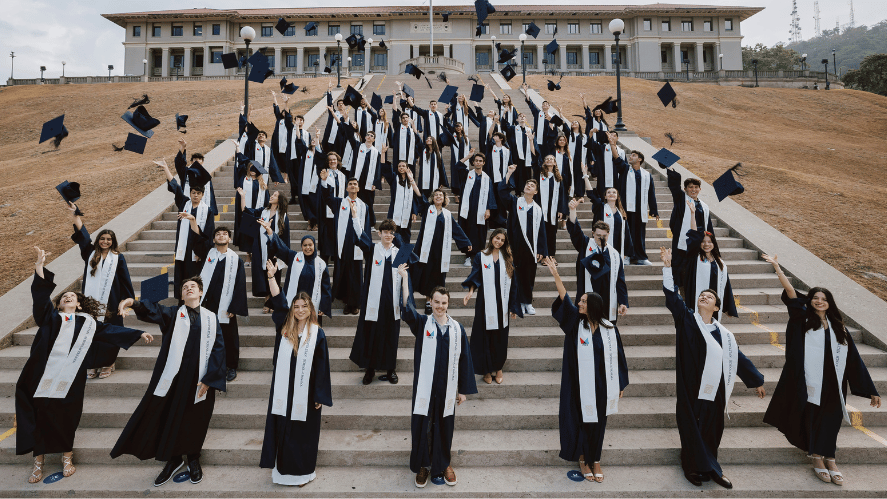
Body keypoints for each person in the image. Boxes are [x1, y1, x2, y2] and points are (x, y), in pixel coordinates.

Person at [17, 247, 148, 483]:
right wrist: (39, 267)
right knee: (41, 414)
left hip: (71, 376)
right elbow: (40, 297)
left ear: (79, 305)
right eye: (63, 297)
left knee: (68, 414)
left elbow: (110, 331)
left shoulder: (88, 324)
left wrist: (138, 333)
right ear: (59, 305)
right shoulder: (49, 318)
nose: (67, 297)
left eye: (72, 296)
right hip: (42, 374)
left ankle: (67, 456)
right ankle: (38, 461)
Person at [761, 254, 881, 486]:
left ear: (830, 303)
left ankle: (831, 459)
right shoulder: (803, 319)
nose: (819, 301)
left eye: (824, 299)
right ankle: (817, 457)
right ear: (810, 301)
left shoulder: (839, 328)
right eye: (815, 298)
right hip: (810, 379)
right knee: (813, 416)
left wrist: (870, 390)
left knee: (832, 419)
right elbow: (791, 293)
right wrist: (777, 267)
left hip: (834, 381)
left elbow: (853, 359)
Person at [660, 246, 765, 489]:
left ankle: (712, 468)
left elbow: (737, 357)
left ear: (717, 308)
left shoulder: (724, 334)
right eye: (701, 296)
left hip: (714, 387)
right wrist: (667, 267)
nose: (704, 297)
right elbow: (672, 297)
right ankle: (691, 466)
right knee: (691, 426)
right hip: (690, 386)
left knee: (712, 428)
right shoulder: (686, 319)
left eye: (709, 297)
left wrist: (756, 380)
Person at [112, 276, 226, 487]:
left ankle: (193, 458)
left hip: (199, 378)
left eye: (193, 286)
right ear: (181, 295)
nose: (189, 288)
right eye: (185, 287)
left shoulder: (211, 318)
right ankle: (173, 459)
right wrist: (132, 302)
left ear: (201, 292)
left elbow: (218, 349)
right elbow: (152, 310)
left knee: (196, 418)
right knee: (169, 414)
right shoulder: (173, 313)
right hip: (174, 377)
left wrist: (209, 379)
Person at [544, 255, 628, 483]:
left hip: (603, 383)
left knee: (599, 422)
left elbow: (619, 357)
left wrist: (620, 383)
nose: (579, 303)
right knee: (581, 420)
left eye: (583, 301)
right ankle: (583, 457)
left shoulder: (609, 329)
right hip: (578, 383)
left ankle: (595, 458)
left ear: (593, 306)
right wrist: (556, 275)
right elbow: (564, 299)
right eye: (580, 300)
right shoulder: (575, 324)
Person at [400, 271, 477, 488]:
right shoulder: (422, 324)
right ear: (430, 302)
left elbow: (465, 359)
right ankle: (424, 465)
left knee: (445, 425)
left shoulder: (457, 329)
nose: (440, 306)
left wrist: (463, 390)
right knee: (423, 425)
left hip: (446, 387)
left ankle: (443, 464)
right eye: (436, 302)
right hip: (426, 388)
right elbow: (407, 310)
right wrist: (405, 279)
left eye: (443, 303)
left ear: (448, 304)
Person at [260, 264, 332, 487]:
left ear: (311, 309)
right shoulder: (285, 328)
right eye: (296, 307)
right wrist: (271, 277)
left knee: (303, 433)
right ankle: (283, 473)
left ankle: (303, 473)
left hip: (307, 392)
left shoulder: (317, 333)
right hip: (284, 388)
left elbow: (322, 366)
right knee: (284, 429)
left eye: (304, 306)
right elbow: (278, 300)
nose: (300, 310)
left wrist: (319, 395)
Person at [67, 202, 135, 380]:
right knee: (90, 331)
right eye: (102, 238)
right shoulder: (89, 253)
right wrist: (75, 216)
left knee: (110, 331)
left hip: (112, 302)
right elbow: (83, 236)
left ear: (113, 242)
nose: (105, 241)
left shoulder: (118, 258)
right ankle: (92, 363)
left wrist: (124, 303)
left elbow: (125, 281)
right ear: (98, 240)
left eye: (109, 239)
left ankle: (108, 363)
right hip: (90, 302)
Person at [350, 219, 417, 385]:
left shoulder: (399, 252)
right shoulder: (373, 250)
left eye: (391, 233)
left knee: (391, 335)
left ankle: (390, 369)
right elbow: (360, 235)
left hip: (392, 302)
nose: (388, 235)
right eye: (385, 232)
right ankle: (370, 369)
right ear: (379, 233)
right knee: (371, 334)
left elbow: (407, 273)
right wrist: (355, 217)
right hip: (374, 302)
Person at [463, 229, 521, 384]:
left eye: (502, 240)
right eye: (497, 238)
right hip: (485, 303)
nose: (499, 242)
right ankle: (487, 370)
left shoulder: (507, 258)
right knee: (485, 336)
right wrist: (470, 292)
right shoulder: (481, 256)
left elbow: (514, 284)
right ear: (492, 238)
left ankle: (499, 368)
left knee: (500, 337)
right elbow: (475, 275)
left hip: (502, 303)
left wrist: (513, 306)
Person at [192, 226, 248, 382]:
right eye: (218, 234)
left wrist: (234, 307)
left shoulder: (236, 260)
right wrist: (193, 221)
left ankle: (231, 366)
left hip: (226, 305)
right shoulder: (207, 254)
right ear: (213, 239)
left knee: (229, 336)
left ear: (229, 239)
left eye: (225, 234)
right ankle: (209, 366)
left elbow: (240, 284)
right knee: (206, 334)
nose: (221, 236)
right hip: (207, 303)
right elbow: (197, 241)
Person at [156, 159, 213, 300]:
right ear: (190, 193)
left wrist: (201, 251)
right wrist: (166, 168)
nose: (195, 195)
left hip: (196, 250)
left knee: (194, 277)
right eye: (193, 192)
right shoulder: (184, 203)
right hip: (183, 247)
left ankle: (194, 302)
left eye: (198, 193)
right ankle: (182, 302)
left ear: (202, 195)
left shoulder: (207, 211)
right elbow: (176, 187)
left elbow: (208, 233)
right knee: (182, 276)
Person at [566, 204, 629, 323]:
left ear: (608, 234)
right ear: (593, 233)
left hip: (607, 299)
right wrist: (573, 210)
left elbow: (620, 280)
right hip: (588, 294)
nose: (601, 239)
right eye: (598, 236)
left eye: (604, 236)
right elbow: (575, 231)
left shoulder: (614, 254)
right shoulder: (585, 245)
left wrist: (623, 302)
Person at [319, 172, 371, 315]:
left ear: (358, 188)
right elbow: (327, 197)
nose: (353, 186)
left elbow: (366, 228)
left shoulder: (364, 206)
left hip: (357, 245)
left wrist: (366, 245)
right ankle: (346, 302)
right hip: (343, 244)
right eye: (350, 184)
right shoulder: (339, 203)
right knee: (344, 274)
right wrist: (324, 182)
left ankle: (355, 304)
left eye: (355, 184)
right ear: (346, 188)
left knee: (356, 275)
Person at [413, 188, 472, 313]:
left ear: (444, 198)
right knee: (427, 274)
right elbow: (420, 197)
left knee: (438, 275)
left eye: (441, 195)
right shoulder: (427, 209)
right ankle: (428, 301)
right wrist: (413, 182)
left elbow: (456, 229)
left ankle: (437, 300)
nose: (438, 197)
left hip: (441, 250)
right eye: (436, 195)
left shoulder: (447, 214)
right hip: (427, 249)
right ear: (432, 198)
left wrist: (466, 242)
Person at [500, 166, 548, 315]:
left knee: (528, 275)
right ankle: (517, 302)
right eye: (527, 184)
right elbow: (502, 193)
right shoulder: (515, 202)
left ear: (536, 192)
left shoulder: (537, 209)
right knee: (516, 275)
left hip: (531, 247)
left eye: (532, 185)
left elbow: (541, 231)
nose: (529, 186)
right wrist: (509, 173)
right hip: (515, 245)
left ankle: (527, 302)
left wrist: (541, 250)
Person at [681, 201, 737, 321]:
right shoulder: (695, 258)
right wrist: (692, 214)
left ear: (714, 244)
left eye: (709, 242)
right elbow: (694, 236)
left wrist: (728, 307)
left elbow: (726, 286)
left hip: (713, 304)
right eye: (703, 242)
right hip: (698, 300)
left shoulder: (720, 263)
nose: (706, 244)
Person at [265, 229, 333, 319]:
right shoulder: (294, 257)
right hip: (295, 303)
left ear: (314, 246)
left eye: (310, 245)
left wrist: (323, 306)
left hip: (312, 303)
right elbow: (281, 248)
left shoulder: (321, 264)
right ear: (301, 246)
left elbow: (325, 287)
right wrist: (270, 233)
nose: (307, 248)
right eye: (305, 245)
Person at [666, 167, 714, 282]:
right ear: (685, 189)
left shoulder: (704, 206)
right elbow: (674, 186)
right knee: (680, 265)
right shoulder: (681, 200)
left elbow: (708, 225)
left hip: (699, 239)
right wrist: (669, 168)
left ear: (700, 189)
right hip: (684, 238)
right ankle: (678, 285)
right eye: (690, 187)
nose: (693, 189)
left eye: (696, 187)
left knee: (696, 265)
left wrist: (711, 240)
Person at [245, 191, 290, 310]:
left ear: (279, 199)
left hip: (275, 250)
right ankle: (267, 299)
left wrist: (281, 252)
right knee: (264, 274)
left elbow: (285, 237)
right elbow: (247, 211)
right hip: (262, 247)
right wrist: (243, 197)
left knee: (275, 275)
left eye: (275, 195)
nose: (271, 196)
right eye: (272, 195)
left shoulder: (283, 216)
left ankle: (273, 301)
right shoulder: (263, 211)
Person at [339, 120, 383, 227]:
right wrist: (346, 121)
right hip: (357, 179)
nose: (369, 136)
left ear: (374, 139)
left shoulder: (376, 152)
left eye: (371, 135)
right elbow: (350, 136)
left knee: (368, 203)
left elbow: (378, 169)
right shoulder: (358, 146)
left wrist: (375, 183)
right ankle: (353, 222)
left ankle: (370, 224)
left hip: (369, 181)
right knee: (354, 201)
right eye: (367, 135)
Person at [618, 150, 658, 265]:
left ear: (640, 159)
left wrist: (654, 210)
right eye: (630, 155)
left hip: (640, 209)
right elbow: (617, 160)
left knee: (639, 233)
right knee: (627, 232)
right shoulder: (625, 170)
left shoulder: (647, 175)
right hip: (627, 208)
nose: (630, 157)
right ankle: (626, 256)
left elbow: (651, 193)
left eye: (633, 155)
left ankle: (641, 257)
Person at [457, 150, 497, 266]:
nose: (478, 163)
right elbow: (458, 166)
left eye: (480, 161)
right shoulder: (467, 175)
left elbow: (490, 194)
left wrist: (488, 209)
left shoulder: (487, 178)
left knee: (480, 233)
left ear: (483, 163)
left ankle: (478, 256)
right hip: (468, 210)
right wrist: (468, 156)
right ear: (473, 162)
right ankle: (468, 256)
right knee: (468, 231)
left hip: (481, 210)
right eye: (476, 161)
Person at [233, 150, 271, 258]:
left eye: (255, 168)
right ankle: (248, 256)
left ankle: (255, 255)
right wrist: (238, 150)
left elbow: (267, 199)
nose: (252, 170)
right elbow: (240, 164)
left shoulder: (262, 183)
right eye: (250, 168)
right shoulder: (243, 179)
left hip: (258, 212)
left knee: (256, 234)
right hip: (246, 211)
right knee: (246, 235)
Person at [587, 187, 634, 267]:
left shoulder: (621, 212)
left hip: (617, 249)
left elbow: (626, 232)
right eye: (608, 192)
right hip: (602, 247)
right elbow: (592, 195)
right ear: (605, 196)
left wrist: (626, 252)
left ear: (617, 197)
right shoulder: (601, 208)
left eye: (614, 192)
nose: (611, 193)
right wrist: (586, 179)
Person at [316, 151, 349, 262]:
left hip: (339, 209)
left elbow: (345, 193)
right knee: (326, 234)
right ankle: (325, 258)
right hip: (326, 209)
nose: (332, 161)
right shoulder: (324, 173)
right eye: (330, 160)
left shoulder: (342, 176)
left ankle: (336, 257)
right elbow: (322, 191)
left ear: (338, 161)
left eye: (334, 159)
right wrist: (324, 180)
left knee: (337, 233)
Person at [174, 138, 218, 215]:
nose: (197, 160)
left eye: (199, 159)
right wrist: (183, 147)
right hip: (188, 205)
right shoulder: (186, 172)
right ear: (191, 161)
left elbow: (210, 194)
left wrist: (212, 209)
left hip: (203, 207)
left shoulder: (206, 176)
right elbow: (179, 163)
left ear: (202, 162)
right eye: (195, 159)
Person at [381, 161, 422, 243]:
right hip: (394, 211)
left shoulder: (411, 181)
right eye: (399, 166)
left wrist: (414, 212)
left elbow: (414, 198)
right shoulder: (394, 178)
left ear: (407, 168)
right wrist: (383, 156)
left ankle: (405, 251)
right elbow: (386, 170)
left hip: (407, 212)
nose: (401, 168)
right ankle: (394, 250)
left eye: (403, 166)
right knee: (393, 233)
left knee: (406, 234)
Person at [535, 155, 568, 256]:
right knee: (542, 232)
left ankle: (551, 255)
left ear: (554, 163)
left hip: (553, 209)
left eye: (551, 159)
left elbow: (562, 195)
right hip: (541, 208)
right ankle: (543, 255)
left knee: (552, 232)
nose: (549, 160)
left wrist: (561, 210)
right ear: (544, 162)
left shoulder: (558, 178)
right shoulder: (539, 176)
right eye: (547, 159)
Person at [294, 128, 323, 230]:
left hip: (316, 183)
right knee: (306, 202)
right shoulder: (306, 151)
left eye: (315, 140)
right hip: (305, 181)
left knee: (315, 202)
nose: (313, 141)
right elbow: (299, 139)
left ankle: (316, 222)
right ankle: (310, 221)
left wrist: (317, 136)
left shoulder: (320, 153)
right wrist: (297, 126)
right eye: (312, 140)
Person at [502, 112, 538, 192]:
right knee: (517, 175)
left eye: (523, 116)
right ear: (517, 120)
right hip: (516, 156)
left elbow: (533, 143)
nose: (522, 117)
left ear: (526, 120)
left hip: (527, 157)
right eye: (520, 116)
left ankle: (526, 191)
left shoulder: (529, 130)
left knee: (527, 174)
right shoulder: (513, 129)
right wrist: (504, 115)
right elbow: (504, 127)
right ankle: (517, 191)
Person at [589, 132, 629, 199]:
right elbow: (592, 146)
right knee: (603, 197)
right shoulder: (602, 148)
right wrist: (591, 134)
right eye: (610, 135)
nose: (612, 137)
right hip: (603, 177)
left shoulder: (621, 152)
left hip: (617, 178)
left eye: (614, 136)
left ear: (617, 138)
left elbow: (624, 166)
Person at [439, 121, 471, 202]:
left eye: (459, 126)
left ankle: (462, 194)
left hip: (464, 161)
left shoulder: (466, 138)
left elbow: (469, 149)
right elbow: (444, 141)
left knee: (463, 177)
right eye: (456, 126)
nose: (458, 128)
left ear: (462, 127)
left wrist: (472, 159)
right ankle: (456, 195)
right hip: (455, 161)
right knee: (455, 178)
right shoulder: (452, 138)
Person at [522, 82, 559, 149]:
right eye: (543, 104)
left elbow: (555, 130)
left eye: (546, 104)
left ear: (549, 106)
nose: (545, 105)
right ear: (541, 106)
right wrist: (526, 91)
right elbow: (530, 103)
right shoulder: (537, 113)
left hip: (548, 141)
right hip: (537, 140)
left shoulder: (552, 117)